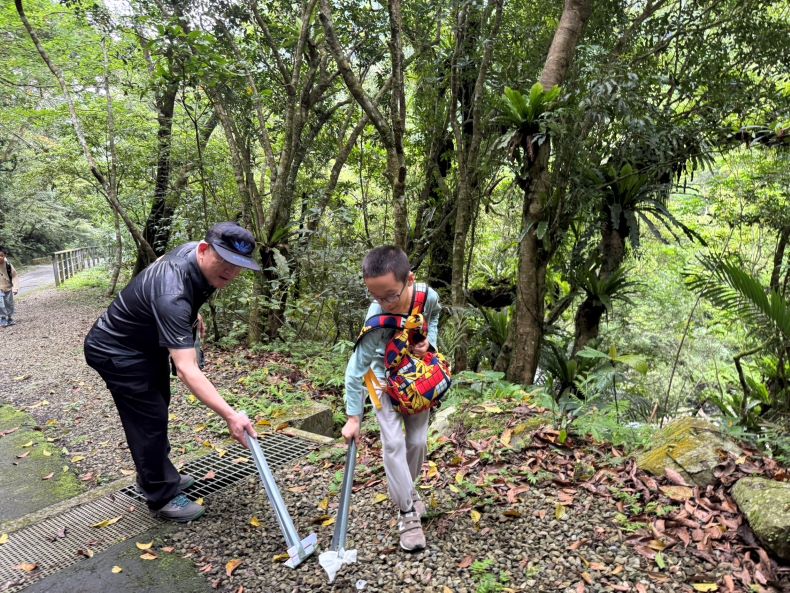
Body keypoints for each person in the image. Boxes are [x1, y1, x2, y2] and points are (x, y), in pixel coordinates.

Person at [84, 222, 259, 522]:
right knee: (148, 418)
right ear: (205, 251)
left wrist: (193, 313)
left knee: (157, 407)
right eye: (225, 262)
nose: (231, 272)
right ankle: (161, 495)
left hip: (145, 345)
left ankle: (158, 475)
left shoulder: (195, 255)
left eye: (238, 266)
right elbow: (188, 369)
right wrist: (231, 415)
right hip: (117, 351)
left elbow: (168, 280)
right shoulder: (173, 294)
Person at [342, 245, 441, 551]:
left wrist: (429, 344)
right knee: (394, 444)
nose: (383, 304)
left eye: (390, 296)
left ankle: (407, 491)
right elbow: (354, 370)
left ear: (409, 279)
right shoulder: (376, 319)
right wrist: (353, 417)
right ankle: (408, 513)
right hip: (381, 381)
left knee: (417, 442)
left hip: (414, 378)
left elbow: (433, 319)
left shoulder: (428, 298)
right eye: (375, 296)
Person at [0, 247, 19, 327]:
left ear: (5, 255)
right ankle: (3, 317)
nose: (0, 257)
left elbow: (14, 276)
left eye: (1, 255)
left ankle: (10, 317)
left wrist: (15, 287)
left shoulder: (8, 265)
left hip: (8, 287)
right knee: (0, 304)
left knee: (9, 303)